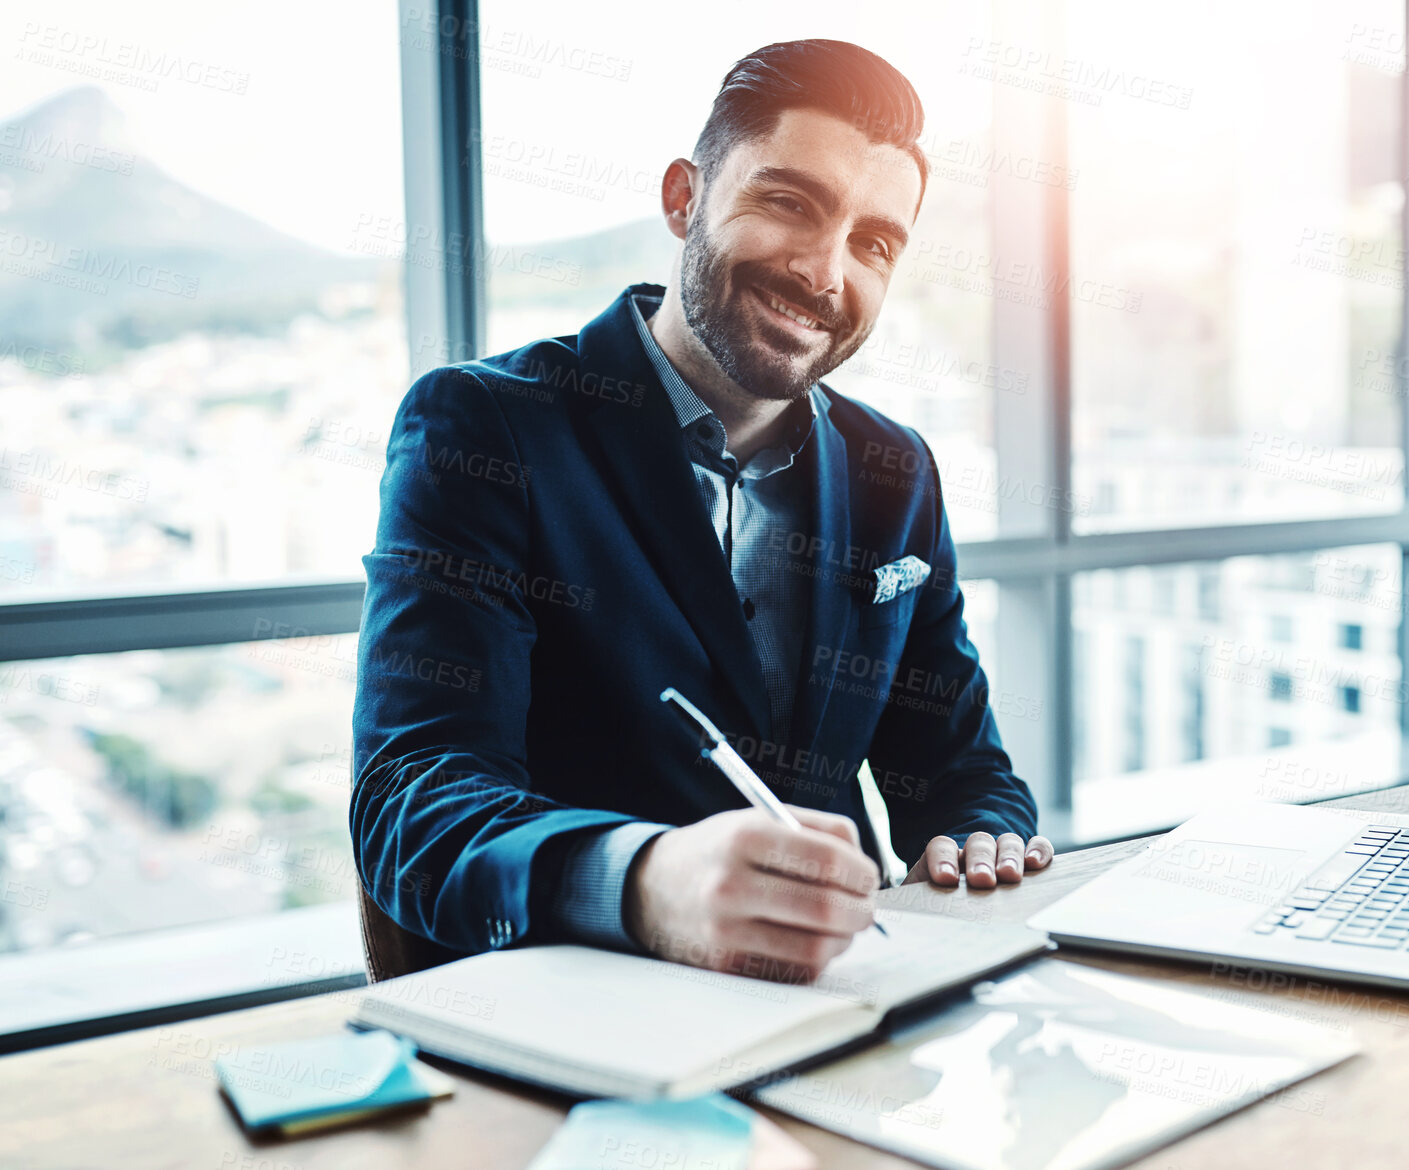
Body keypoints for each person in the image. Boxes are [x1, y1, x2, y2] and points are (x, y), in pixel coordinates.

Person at [352, 38, 1053, 985]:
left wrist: (980, 836)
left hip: (847, 1010)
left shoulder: (897, 470)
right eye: (789, 202)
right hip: (577, 1021)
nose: (824, 271)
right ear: (685, 199)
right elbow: (412, 802)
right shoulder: (483, 429)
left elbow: (961, 771)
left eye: (873, 243)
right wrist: (642, 880)